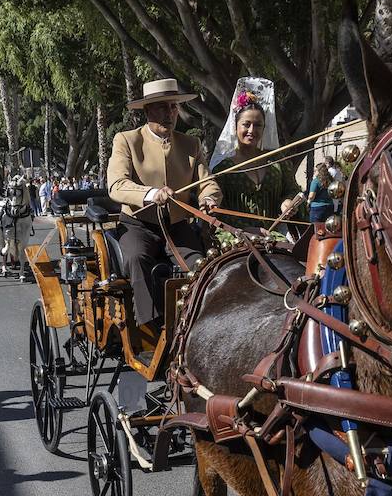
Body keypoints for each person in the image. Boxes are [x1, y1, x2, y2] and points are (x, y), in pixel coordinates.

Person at [106, 78, 222, 327]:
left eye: (172, 107)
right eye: (161, 107)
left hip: (177, 226)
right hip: (138, 224)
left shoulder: (191, 144)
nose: (169, 113)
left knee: (201, 265)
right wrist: (150, 193)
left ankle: (195, 324)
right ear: (147, 111)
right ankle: (150, 329)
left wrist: (208, 198)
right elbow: (116, 185)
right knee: (137, 258)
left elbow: (207, 182)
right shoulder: (126, 140)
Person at [210, 90, 302, 227]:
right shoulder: (223, 167)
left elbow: (292, 190)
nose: (252, 130)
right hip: (234, 237)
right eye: (246, 124)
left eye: (258, 125)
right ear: (235, 127)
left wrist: (287, 202)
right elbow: (217, 210)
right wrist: (247, 230)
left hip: (273, 236)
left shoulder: (276, 160)